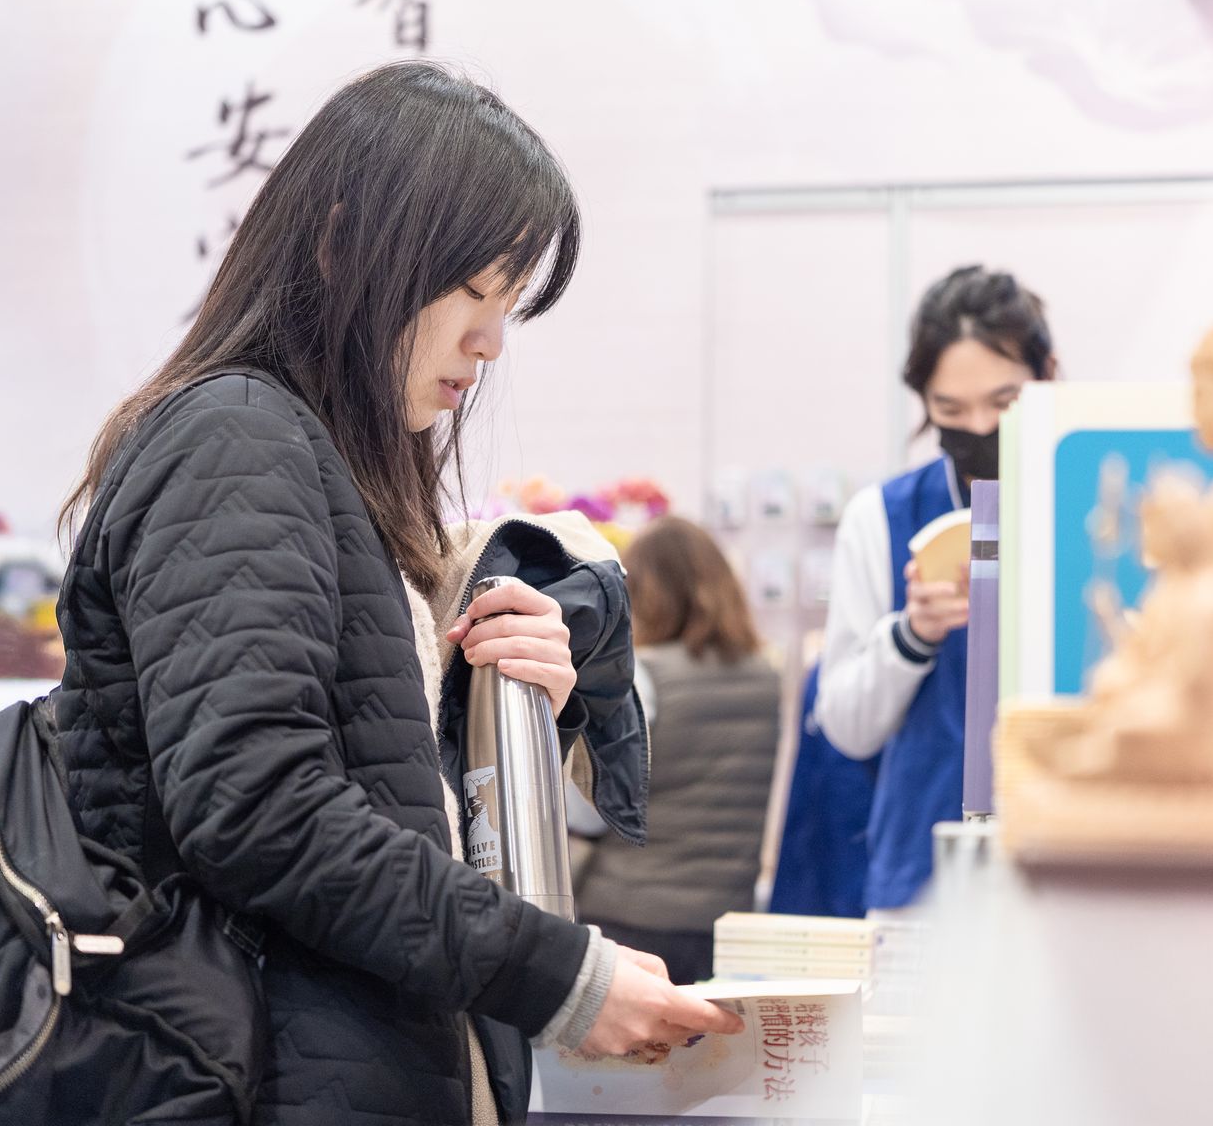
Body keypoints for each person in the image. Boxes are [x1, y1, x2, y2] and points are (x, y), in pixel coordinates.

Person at [51, 61, 739, 1126]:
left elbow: (362, 794)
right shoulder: (236, 439)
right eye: (475, 291)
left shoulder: (321, 465)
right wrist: (559, 976)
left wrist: (505, 702)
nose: (490, 342)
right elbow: (259, 807)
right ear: (341, 244)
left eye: (509, 305)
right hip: (252, 1078)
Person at [816, 265, 1057, 911]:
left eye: (1004, 403)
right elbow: (846, 728)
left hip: (1076, 864)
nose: (978, 427)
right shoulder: (882, 518)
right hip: (925, 878)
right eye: (950, 409)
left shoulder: (1089, 504)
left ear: (1048, 375)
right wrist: (911, 636)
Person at [575, 516, 780, 985]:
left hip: (631, 914)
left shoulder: (640, 677)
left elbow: (590, 809)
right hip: (721, 921)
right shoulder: (765, 677)